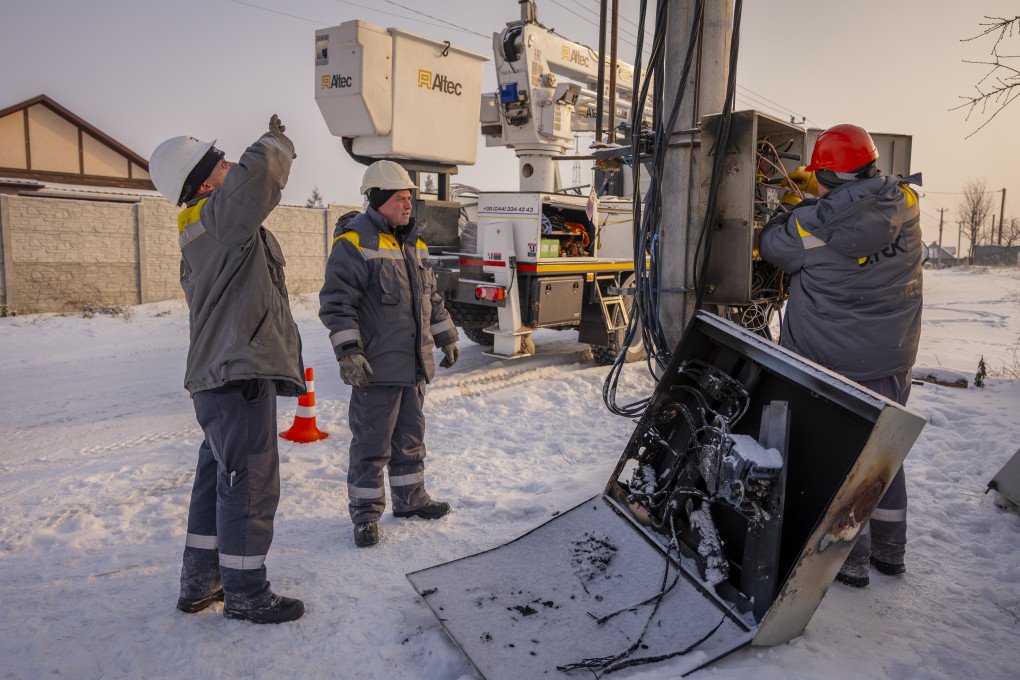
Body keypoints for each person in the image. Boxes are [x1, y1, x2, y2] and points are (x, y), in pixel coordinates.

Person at [149, 115, 306, 623]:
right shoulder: (218, 218)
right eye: (219, 162)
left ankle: (201, 583)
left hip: (219, 378)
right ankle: (246, 592)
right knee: (251, 481)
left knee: (221, 477)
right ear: (202, 182)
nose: (230, 164)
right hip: (237, 375)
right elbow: (258, 177)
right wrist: (275, 141)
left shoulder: (204, 225)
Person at [759, 124, 923, 589]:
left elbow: (775, 247)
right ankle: (891, 553)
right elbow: (861, 211)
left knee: (838, 453)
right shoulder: (906, 204)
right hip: (893, 356)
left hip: (829, 360)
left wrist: (793, 207)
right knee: (883, 449)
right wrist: (830, 198)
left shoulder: (810, 225)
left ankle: (849, 558)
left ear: (827, 177)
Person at [319, 160, 459, 548]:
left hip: (414, 365)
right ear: (378, 201)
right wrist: (349, 352)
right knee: (371, 445)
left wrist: (445, 336)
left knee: (410, 439)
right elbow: (336, 303)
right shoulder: (354, 242)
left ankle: (411, 500)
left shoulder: (416, 243)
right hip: (376, 369)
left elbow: (431, 296)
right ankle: (365, 516)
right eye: (399, 198)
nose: (408, 205)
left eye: (409, 198)